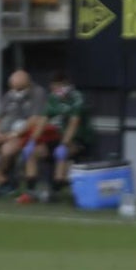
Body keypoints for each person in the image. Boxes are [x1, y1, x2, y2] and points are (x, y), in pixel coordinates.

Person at [16, 71, 95, 204]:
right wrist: (32, 141)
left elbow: (73, 124)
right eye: (53, 87)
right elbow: (43, 120)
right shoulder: (53, 98)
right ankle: (30, 192)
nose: (55, 90)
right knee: (33, 152)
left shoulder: (77, 98)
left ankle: (55, 191)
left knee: (61, 153)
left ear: (66, 86)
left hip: (79, 138)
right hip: (60, 136)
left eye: (57, 87)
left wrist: (64, 144)